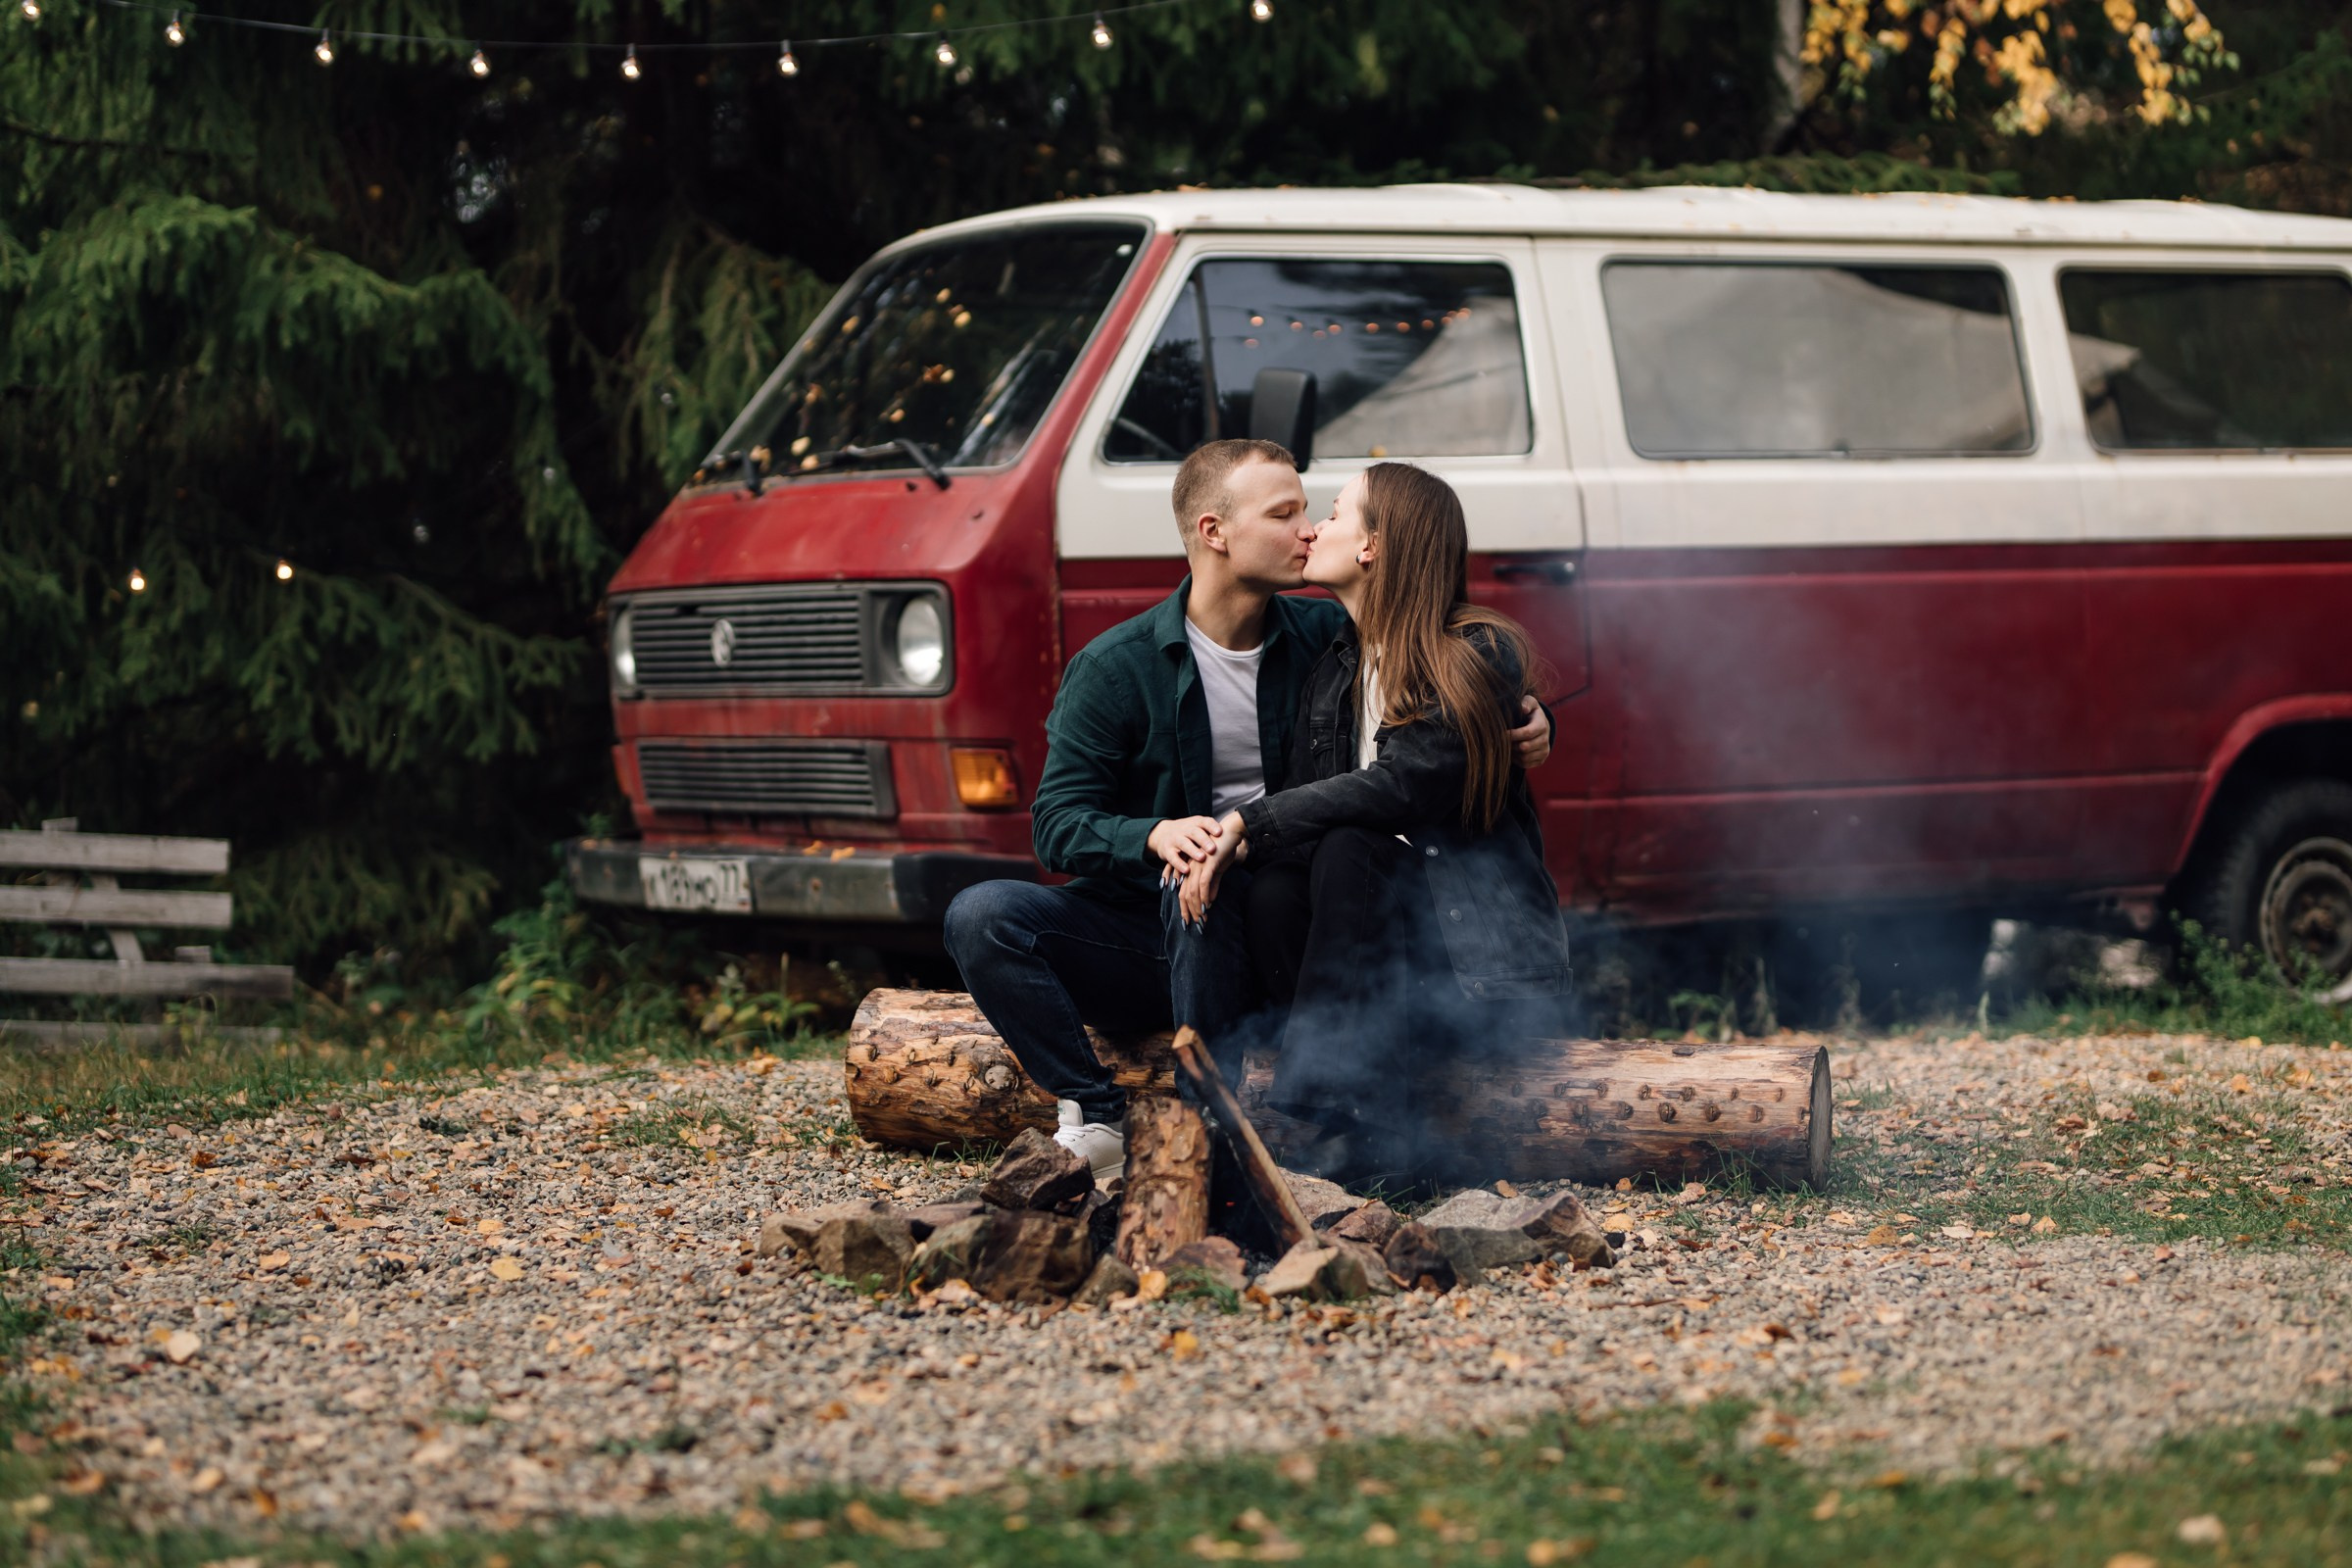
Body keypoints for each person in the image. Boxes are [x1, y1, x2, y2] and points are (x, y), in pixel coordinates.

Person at [942, 440, 1551, 1182]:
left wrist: (1527, 715)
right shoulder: (1117, 668)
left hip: (1286, 922)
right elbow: (1056, 825)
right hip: (1159, 923)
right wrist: (1154, 834)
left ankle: (1214, 1130)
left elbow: (1438, 684)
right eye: (1286, 512)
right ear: (1214, 532)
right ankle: (1093, 1107)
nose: (1305, 530)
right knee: (985, 914)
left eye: (1316, 513)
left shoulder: (1324, 641)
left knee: (1274, 866)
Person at [1179, 462, 1573, 1187]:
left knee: (1349, 846)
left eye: (1332, 513)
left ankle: (1325, 1103)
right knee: (1275, 885)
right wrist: (1229, 844)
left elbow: (1403, 785)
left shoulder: (1476, 652)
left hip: (1474, 970)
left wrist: (1246, 820)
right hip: (1380, 968)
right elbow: (1306, 812)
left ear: (1372, 547)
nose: (1314, 529)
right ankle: (1352, 1111)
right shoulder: (1336, 671)